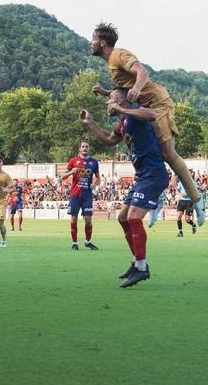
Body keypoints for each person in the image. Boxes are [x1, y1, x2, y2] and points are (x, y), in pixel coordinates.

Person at [88, 22, 207, 227]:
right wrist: (107, 93)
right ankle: (158, 197)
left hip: (157, 104)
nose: (90, 43)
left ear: (102, 41)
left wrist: (137, 88)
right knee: (155, 152)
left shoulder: (118, 55)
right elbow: (124, 91)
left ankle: (197, 199)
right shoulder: (111, 63)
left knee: (168, 153)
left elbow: (142, 72)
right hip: (146, 104)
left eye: (93, 39)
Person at [81, 87, 169, 288]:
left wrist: (124, 109)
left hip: (154, 174)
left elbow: (151, 114)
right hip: (142, 177)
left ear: (120, 100)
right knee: (122, 218)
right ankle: (137, 262)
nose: (106, 103)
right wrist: (90, 123)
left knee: (133, 217)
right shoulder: (124, 124)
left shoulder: (136, 113)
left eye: (110, 99)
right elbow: (109, 140)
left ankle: (141, 268)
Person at [62, 141, 101, 250]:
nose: (85, 148)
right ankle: (75, 243)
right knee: (73, 219)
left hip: (87, 195)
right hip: (75, 195)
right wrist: (70, 172)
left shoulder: (94, 162)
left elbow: (98, 179)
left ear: (89, 149)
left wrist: (94, 184)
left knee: (88, 220)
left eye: (87, 147)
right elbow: (63, 177)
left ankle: (88, 242)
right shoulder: (73, 161)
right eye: (83, 147)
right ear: (79, 149)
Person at [175, 169, 198, 237]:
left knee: (187, 219)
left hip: (189, 201)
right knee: (178, 216)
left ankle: (193, 225)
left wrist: (188, 194)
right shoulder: (181, 182)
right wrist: (179, 194)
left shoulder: (194, 183)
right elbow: (177, 190)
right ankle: (180, 232)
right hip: (182, 200)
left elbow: (194, 192)